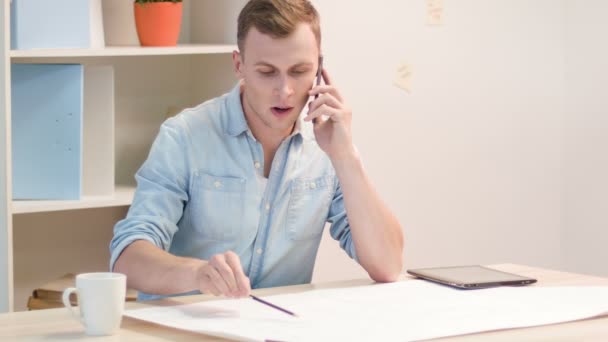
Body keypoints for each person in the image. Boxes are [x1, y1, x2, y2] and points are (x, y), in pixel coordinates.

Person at [110, 0, 403, 300]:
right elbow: (128, 257)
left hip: (276, 328)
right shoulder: (185, 136)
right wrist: (197, 274)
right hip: (189, 326)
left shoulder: (328, 147)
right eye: (267, 72)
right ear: (239, 65)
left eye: (299, 71)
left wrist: (346, 158)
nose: (285, 90)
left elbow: (389, 266)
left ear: (319, 70)